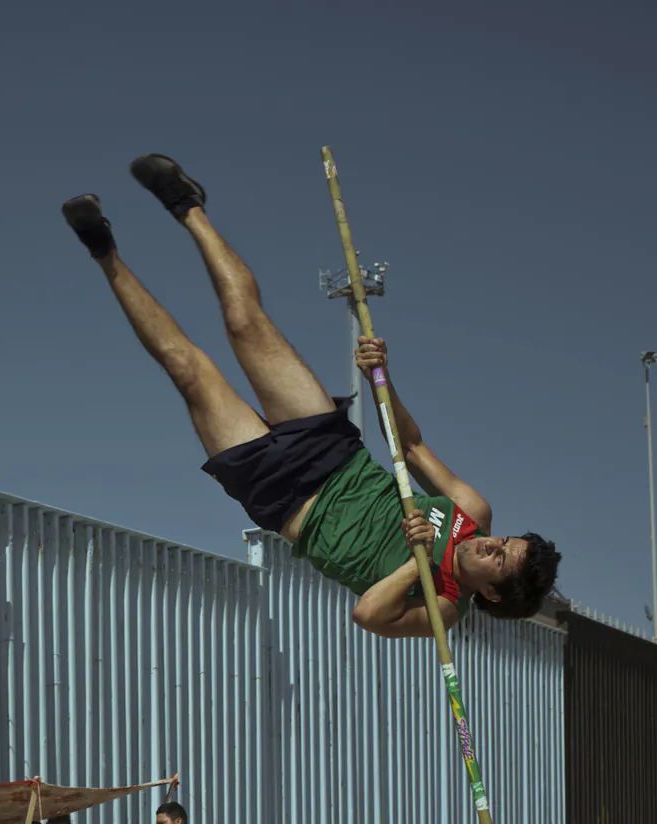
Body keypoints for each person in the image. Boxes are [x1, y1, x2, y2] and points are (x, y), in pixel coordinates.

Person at [61, 155, 560, 638]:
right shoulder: (471, 512)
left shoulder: (445, 607)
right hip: (332, 451)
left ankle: (101, 248)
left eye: (497, 559)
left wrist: (418, 566)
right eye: (503, 542)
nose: (490, 544)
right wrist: (380, 379)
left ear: (492, 595)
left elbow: (367, 614)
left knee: (188, 368)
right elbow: (409, 447)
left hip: (282, 497)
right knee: (243, 320)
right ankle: (187, 206)